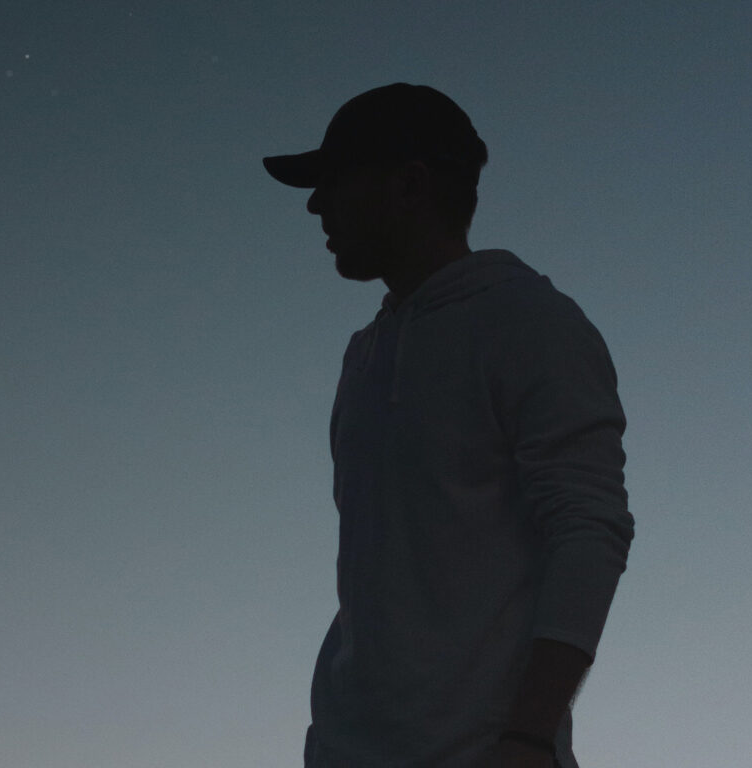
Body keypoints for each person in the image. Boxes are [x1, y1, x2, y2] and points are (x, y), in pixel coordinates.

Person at [263, 83, 634, 768]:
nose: (315, 205)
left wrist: (526, 738)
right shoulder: (364, 354)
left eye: (335, 181)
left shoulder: (528, 322)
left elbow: (589, 529)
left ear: (410, 185)